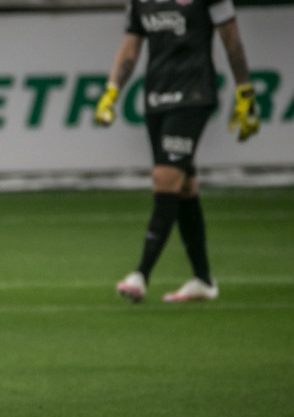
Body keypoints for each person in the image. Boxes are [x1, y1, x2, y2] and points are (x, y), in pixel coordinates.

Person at [95, 0, 259, 303]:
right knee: (184, 186)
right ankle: (203, 280)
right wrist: (112, 90)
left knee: (165, 177)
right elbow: (131, 48)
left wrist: (244, 91)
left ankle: (141, 274)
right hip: (156, 97)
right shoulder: (139, 2)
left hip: (194, 94)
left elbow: (231, 39)